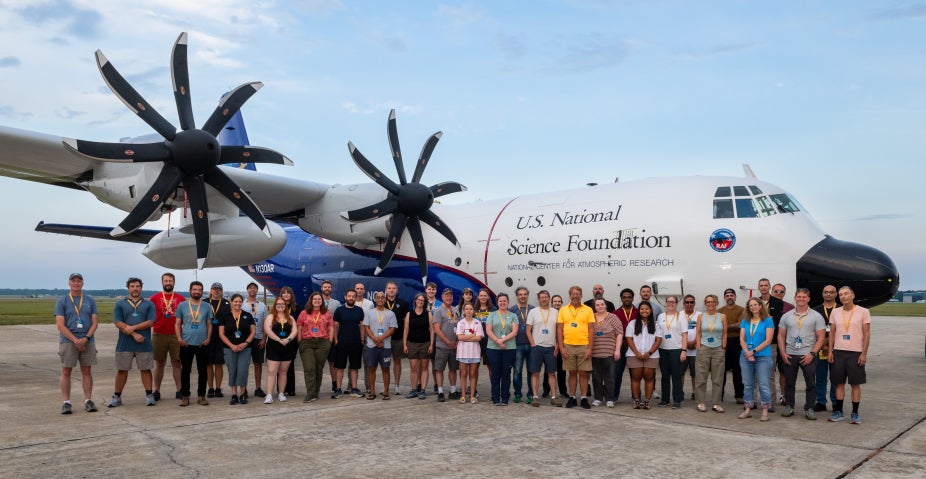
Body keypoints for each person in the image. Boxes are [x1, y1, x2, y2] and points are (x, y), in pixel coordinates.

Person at [778, 288, 826, 420]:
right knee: (789, 383)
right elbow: (781, 335)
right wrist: (783, 352)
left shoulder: (816, 316)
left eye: (804, 297)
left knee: (811, 383)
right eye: (799, 296)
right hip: (790, 354)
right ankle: (790, 406)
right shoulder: (786, 316)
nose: (801, 299)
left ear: (809, 299)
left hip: (808, 355)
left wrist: (812, 353)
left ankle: (809, 408)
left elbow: (821, 337)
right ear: (795, 298)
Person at [109, 277, 157, 407]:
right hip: (125, 344)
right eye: (132, 286)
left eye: (137, 286)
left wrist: (133, 328)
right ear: (128, 288)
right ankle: (117, 397)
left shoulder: (148, 304)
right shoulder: (120, 304)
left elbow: (150, 322)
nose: (135, 288)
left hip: (144, 343)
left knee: (146, 369)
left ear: (141, 288)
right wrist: (135, 334)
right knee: (122, 370)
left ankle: (149, 395)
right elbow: (118, 322)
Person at [55, 273, 98, 414]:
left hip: (87, 340)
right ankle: (66, 403)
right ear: (69, 283)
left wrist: (85, 338)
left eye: (79, 281)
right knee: (66, 371)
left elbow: (94, 323)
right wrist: (75, 340)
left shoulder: (90, 300)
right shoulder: (62, 301)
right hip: (68, 341)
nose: (76, 283)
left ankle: (88, 400)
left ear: (83, 283)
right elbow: (60, 325)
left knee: (87, 371)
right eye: (73, 281)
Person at [827, 286, 871, 424]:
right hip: (838, 352)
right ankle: (839, 412)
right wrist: (830, 351)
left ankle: (855, 413)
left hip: (855, 352)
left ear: (853, 295)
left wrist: (863, 353)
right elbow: (832, 333)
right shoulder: (835, 312)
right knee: (838, 384)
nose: (843, 297)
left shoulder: (863, 311)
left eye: (846, 294)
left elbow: (867, 334)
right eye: (841, 295)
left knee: (855, 384)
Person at [174, 281, 213, 406]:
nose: (197, 291)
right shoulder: (182, 305)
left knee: (203, 371)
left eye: (199, 290)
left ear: (202, 291)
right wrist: (179, 338)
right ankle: (185, 396)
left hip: (202, 343)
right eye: (194, 289)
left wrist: (208, 339)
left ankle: (201, 396)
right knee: (186, 371)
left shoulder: (206, 306)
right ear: (190, 290)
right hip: (186, 343)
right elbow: (177, 323)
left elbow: (209, 324)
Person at [557, 285, 595, 409]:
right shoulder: (563, 310)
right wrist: (561, 348)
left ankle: (584, 398)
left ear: (581, 295)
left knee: (583, 373)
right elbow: (559, 329)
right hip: (568, 345)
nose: (575, 295)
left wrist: (590, 348)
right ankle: (572, 397)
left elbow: (591, 329)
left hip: (584, 345)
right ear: (569, 295)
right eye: (573, 293)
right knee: (572, 373)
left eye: (577, 293)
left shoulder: (588, 309)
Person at [150, 272, 185, 402]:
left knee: (176, 362)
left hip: (176, 334)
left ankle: (179, 390)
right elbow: (150, 316)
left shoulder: (181, 299)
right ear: (162, 282)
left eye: (170, 281)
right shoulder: (154, 298)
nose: (168, 283)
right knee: (159, 363)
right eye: (166, 281)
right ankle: (156, 390)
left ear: (174, 282)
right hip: (159, 334)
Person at [739, 298, 775, 422]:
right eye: (751, 305)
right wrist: (748, 353)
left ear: (760, 306)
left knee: (763, 384)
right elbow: (742, 339)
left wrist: (753, 351)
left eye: (755, 305)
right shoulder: (745, 321)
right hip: (745, 356)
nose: (753, 307)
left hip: (763, 357)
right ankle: (748, 409)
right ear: (748, 308)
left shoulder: (768, 321)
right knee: (748, 384)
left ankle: (765, 411)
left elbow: (768, 340)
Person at [218, 294, 256, 405]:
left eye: (240, 302)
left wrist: (246, 343)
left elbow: (253, 332)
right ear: (231, 302)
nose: (237, 303)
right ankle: (234, 395)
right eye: (235, 301)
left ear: (242, 303)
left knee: (243, 370)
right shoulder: (225, 316)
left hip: (245, 348)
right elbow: (221, 334)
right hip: (230, 349)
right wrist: (231, 346)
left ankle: (243, 394)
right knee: (232, 370)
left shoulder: (247, 315)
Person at [526, 290, 562, 407]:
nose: (544, 299)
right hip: (537, 347)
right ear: (539, 299)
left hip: (551, 347)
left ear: (549, 298)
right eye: (542, 297)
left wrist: (557, 346)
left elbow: (559, 331)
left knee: (552, 373)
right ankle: (535, 397)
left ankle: (553, 397)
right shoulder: (533, 312)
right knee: (535, 373)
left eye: (546, 297)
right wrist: (532, 344)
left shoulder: (555, 312)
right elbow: (528, 330)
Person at [625, 301, 663, 409]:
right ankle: (636, 400)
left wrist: (650, 352)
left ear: (650, 311)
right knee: (636, 378)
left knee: (649, 378)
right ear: (639, 311)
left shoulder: (656, 325)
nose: (644, 311)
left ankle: (647, 401)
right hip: (634, 355)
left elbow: (658, 340)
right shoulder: (632, 323)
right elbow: (629, 339)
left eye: (647, 309)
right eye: (642, 309)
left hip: (651, 356)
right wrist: (637, 353)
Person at [297, 292, 334, 403]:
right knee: (309, 368)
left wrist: (329, 342)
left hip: (322, 343)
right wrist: (300, 342)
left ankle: (315, 392)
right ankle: (310, 393)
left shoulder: (327, 313)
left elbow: (331, 328)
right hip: (307, 342)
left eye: (319, 299)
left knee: (318, 368)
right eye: (315, 299)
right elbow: (299, 328)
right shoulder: (304, 313)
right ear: (311, 301)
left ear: (322, 301)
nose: (317, 301)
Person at [695, 295, 727, 413]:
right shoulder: (701, 316)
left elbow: (724, 334)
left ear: (716, 303)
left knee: (717, 378)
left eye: (713, 302)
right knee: (701, 377)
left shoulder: (722, 316)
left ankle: (716, 403)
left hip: (718, 349)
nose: (710, 304)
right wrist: (699, 347)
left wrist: (723, 347)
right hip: (704, 348)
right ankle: (700, 402)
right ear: (705, 303)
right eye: (708, 302)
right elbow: (698, 333)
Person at [363, 291, 397, 400]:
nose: (381, 299)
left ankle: (386, 391)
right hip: (371, 346)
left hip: (385, 346)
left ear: (385, 299)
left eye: (383, 297)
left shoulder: (390, 313)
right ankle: (372, 391)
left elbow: (392, 329)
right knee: (371, 369)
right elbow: (366, 327)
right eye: (378, 297)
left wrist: (381, 339)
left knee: (385, 369)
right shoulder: (369, 312)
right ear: (375, 299)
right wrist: (375, 340)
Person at [264, 297, 298, 404]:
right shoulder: (270, 317)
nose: (280, 306)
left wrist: (287, 340)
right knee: (271, 372)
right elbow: (267, 330)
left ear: (285, 305)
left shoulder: (290, 318)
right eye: (278, 304)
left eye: (282, 304)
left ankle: (281, 393)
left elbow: (294, 331)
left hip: (287, 347)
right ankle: (269, 395)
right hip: (274, 347)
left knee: (283, 372)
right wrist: (278, 339)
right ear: (275, 305)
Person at [486, 293, 518, 406]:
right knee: (495, 373)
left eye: (505, 301)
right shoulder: (492, 315)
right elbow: (488, 331)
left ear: (508, 302)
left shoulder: (513, 315)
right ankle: (495, 397)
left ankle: (505, 398)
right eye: (500, 301)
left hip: (509, 348)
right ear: (497, 302)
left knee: (506, 373)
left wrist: (502, 341)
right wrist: (497, 341)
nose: (503, 303)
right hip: (493, 348)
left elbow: (514, 331)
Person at [757, 278, 784, 410]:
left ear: (769, 287)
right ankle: (759, 401)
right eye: (761, 285)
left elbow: (776, 321)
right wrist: (768, 317)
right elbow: (751, 319)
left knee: (770, 374)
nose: (763, 288)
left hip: (771, 343)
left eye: (766, 285)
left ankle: (770, 403)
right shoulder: (755, 302)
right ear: (758, 288)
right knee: (756, 374)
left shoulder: (778, 302)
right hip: (756, 342)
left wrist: (761, 318)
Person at [590, 298, 623, 408]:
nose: (600, 306)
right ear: (594, 307)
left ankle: (610, 399)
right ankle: (598, 398)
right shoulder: (591, 317)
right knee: (596, 377)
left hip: (609, 352)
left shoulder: (613, 317)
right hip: (594, 353)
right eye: (597, 305)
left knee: (610, 377)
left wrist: (617, 350)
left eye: (602, 304)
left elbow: (619, 333)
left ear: (606, 305)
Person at [333, 290, 365, 398]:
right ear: (345, 297)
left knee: (354, 367)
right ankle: (338, 389)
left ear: (356, 298)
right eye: (349, 296)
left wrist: (362, 340)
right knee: (340, 367)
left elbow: (361, 326)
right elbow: (336, 326)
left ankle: (354, 389)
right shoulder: (339, 310)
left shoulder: (359, 310)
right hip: (342, 343)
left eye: (353, 296)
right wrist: (336, 340)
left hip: (356, 343)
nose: (351, 298)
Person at [813, 284, 839, 412]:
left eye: (831, 292)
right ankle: (821, 402)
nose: (828, 294)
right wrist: (822, 345)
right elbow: (812, 330)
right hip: (820, 349)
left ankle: (835, 402)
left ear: (836, 294)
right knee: (820, 377)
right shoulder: (816, 310)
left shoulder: (841, 309)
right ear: (822, 294)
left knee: (835, 377)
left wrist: (828, 344)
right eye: (826, 292)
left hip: (837, 349)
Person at [657, 296, 687, 409]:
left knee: (676, 376)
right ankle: (665, 399)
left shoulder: (681, 317)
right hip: (663, 349)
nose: (670, 303)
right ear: (665, 303)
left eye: (673, 302)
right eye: (668, 301)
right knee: (664, 376)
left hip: (676, 349)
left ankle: (677, 400)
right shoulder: (660, 316)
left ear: (676, 303)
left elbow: (685, 335)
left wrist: (683, 351)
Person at [433, 288, 461, 402]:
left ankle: (453, 391)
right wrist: (447, 341)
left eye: (450, 296)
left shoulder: (456, 310)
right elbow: (437, 330)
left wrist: (458, 341)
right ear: (442, 297)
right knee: (439, 369)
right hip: (442, 346)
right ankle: (440, 392)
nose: (449, 298)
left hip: (454, 346)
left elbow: (460, 327)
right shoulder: (438, 311)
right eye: (446, 296)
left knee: (453, 369)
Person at [404, 293, 434, 399]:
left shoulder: (428, 314)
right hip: (412, 343)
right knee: (413, 368)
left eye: (422, 300)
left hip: (425, 343)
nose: (420, 302)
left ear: (424, 302)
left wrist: (431, 344)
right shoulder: (409, 314)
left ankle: (423, 390)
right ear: (415, 301)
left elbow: (431, 330)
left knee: (424, 367)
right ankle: (413, 389)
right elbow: (406, 330)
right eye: (418, 300)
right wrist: (405, 344)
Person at [719, 288, 745, 404]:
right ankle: (719, 395)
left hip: (736, 342)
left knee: (737, 370)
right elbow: (717, 327)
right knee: (721, 370)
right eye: (727, 295)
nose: (729, 297)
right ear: (724, 297)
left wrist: (725, 327)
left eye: (731, 295)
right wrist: (731, 326)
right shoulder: (720, 311)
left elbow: (740, 325)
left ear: (735, 297)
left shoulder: (741, 310)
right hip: (723, 342)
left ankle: (739, 395)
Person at [509, 286, 535, 403]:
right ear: (517, 296)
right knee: (517, 371)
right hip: (517, 344)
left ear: (528, 295)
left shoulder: (533, 309)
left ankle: (530, 394)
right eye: (520, 294)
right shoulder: (512, 310)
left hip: (531, 344)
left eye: (525, 294)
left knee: (531, 370)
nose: (523, 296)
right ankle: (518, 394)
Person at [455, 303, 484, 404]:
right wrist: (472, 335)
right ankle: (463, 395)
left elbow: (479, 338)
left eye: (470, 309)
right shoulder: (460, 323)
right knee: (463, 374)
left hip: (474, 352)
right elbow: (459, 337)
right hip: (463, 352)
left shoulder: (477, 323)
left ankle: (472, 396)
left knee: (473, 374)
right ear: (464, 311)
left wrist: (466, 337)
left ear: (473, 311)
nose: (468, 311)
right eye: (466, 309)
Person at [612, 288, 637, 401]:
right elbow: (613, 331)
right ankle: (614, 395)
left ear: (632, 298)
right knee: (617, 373)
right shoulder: (615, 313)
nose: (627, 299)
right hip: (620, 347)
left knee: (635, 374)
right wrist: (622, 343)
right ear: (621, 299)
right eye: (624, 297)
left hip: (634, 347)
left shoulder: (638, 312)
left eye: (629, 297)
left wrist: (631, 343)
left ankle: (635, 396)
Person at [243, 282, 268, 399]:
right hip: (245, 339)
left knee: (258, 364)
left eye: (255, 288)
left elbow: (265, 324)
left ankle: (258, 388)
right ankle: (244, 389)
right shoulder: (242, 304)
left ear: (257, 291)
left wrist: (264, 338)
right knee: (244, 364)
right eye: (250, 288)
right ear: (247, 290)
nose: (253, 290)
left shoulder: (262, 305)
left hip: (258, 339)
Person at [384, 281, 409, 396]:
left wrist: (405, 340)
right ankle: (386, 386)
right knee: (385, 363)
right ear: (386, 290)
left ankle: (397, 386)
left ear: (397, 290)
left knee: (397, 362)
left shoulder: (402, 304)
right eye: (389, 288)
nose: (391, 290)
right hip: (385, 338)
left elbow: (405, 323)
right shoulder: (381, 303)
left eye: (393, 288)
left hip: (398, 338)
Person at [206, 283, 230, 398]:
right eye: (214, 289)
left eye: (219, 289)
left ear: (222, 291)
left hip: (221, 339)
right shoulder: (205, 302)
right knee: (209, 364)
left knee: (219, 364)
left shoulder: (226, 303)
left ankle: (218, 388)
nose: (216, 291)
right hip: (208, 338)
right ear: (210, 290)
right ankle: (210, 388)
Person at [321, 280, 342, 398]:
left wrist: (336, 336)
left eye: (329, 287)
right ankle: (316, 384)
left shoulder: (337, 303)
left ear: (331, 289)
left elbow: (338, 321)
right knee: (319, 362)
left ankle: (335, 384)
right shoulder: (317, 302)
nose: (327, 288)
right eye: (325, 287)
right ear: (321, 288)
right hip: (319, 336)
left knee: (333, 362)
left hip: (332, 336)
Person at [474, 288, 495, 397]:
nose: (483, 297)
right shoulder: (474, 310)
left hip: (489, 342)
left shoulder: (493, 310)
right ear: (478, 297)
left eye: (485, 295)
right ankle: (474, 390)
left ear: (488, 297)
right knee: (475, 366)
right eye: (481, 295)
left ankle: (494, 390)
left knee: (491, 366)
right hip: (476, 342)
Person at [279, 286, 300, 397]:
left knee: (290, 364)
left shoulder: (296, 308)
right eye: (284, 293)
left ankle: (291, 388)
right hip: (280, 339)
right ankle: (281, 388)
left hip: (292, 339)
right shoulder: (278, 307)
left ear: (291, 295)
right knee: (280, 363)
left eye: (288, 293)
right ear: (281, 295)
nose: (286, 295)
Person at [549, 293, 570, 399]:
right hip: (550, 345)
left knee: (562, 370)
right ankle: (546, 389)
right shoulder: (549, 313)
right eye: (555, 301)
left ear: (561, 303)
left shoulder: (565, 313)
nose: (557, 303)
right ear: (551, 303)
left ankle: (563, 390)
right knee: (549, 369)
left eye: (559, 301)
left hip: (562, 345)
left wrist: (560, 345)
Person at [681, 294, 701, 401]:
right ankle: (680, 391)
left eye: (691, 302)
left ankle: (695, 392)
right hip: (682, 350)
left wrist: (694, 342)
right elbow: (676, 331)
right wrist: (686, 344)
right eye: (687, 302)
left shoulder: (700, 315)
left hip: (695, 350)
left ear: (694, 303)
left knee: (695, 374)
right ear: (683, 304)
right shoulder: (679, 315)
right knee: (680, 373)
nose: (689, 304)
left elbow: (703, 331)